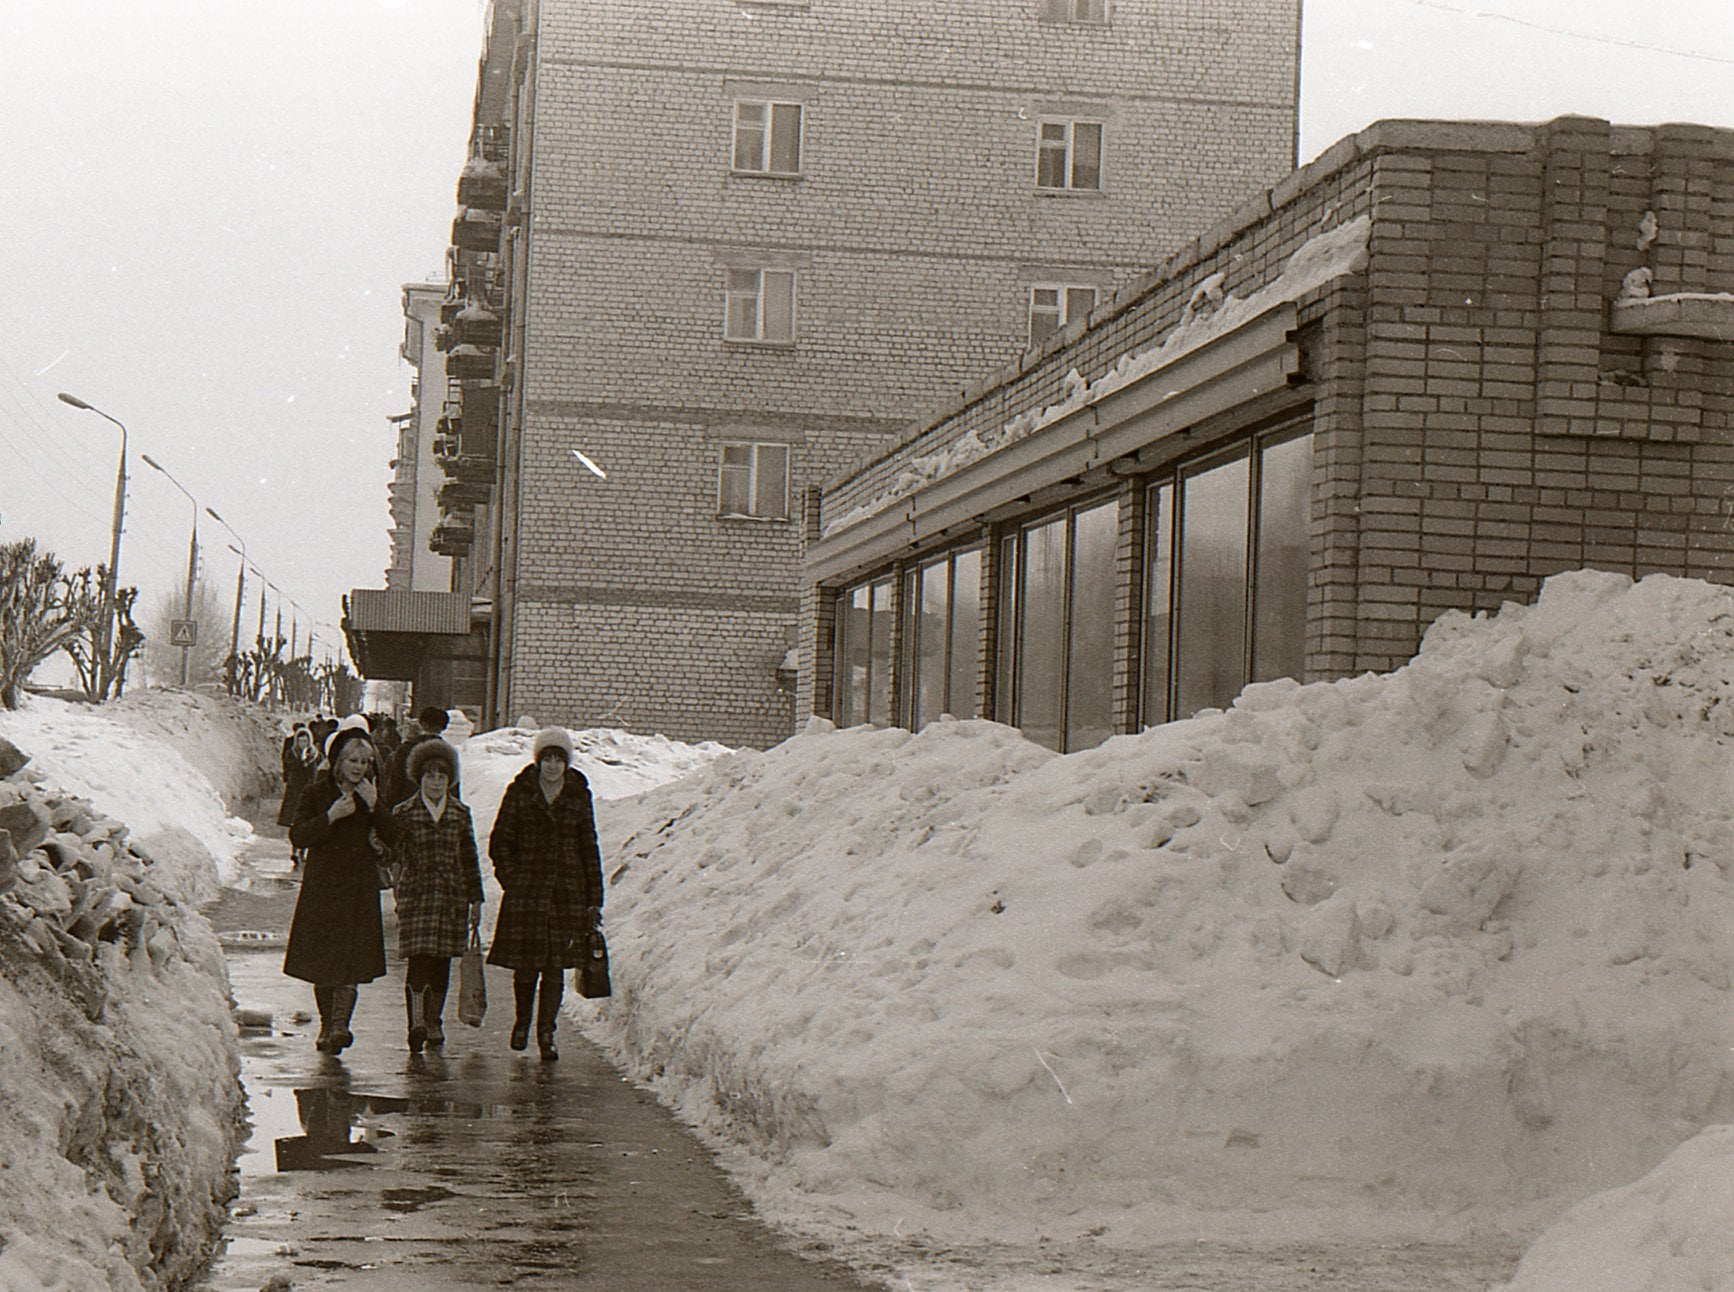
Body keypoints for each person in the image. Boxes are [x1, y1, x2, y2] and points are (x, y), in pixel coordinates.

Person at [487, 726, 603, 1061]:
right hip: (528, 894)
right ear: (538, 761)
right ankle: (522, 1021)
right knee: (527, 965)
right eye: (547, 758)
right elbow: (500, 842)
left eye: (558, 759)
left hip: (566, 892)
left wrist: (593, 897)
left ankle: (546, 1033)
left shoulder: (578, 794)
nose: (552, 766)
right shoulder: (520, 792)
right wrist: (514, 880)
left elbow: (588, 844)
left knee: (555, 967)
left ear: (566, 762)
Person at [284, 716, 393, 1054]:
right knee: (325, 962)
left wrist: (375, 807)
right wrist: (331, 816)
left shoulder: (370, 794)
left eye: (364, 762)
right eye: (352, 761)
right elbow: (298, 834)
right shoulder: (317, 792)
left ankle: (339, 1026)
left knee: (350, 964)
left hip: (359, 888)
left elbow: (395, 837)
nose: (358, 768)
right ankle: (327, 1024)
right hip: (323, 888)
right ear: (338, 762)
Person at [388, 738, 483, 1053]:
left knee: (442, 962)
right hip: (417, 897)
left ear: (449, 779)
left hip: (450, 899)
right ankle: (415, 1023)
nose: (435, 781)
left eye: (441, 775)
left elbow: (469, 858)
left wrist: (476, 899)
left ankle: (434, 1020)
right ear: (419, 777)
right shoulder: (404, 812)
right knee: (419, 961)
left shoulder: (459, 813)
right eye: (429, 775)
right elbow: (391, 851)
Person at [389, 705, 451, 808]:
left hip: (407, 809)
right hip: (438, 810)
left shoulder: (405, 749)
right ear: (443, 727)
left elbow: (395, 784)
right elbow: (453, 788)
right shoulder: (448, 752)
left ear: (422, 724)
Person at [277, 724, 320, 868]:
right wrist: (300, 760)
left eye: (305, 741)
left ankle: (303, 850)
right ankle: (295, 850)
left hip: (308, 792)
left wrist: (307, 761)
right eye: (301, 741)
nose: (303, 744)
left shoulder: (314, 754)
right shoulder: (292, 753)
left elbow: (314, 775)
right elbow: (290, 769)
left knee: (306, 821)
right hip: (295, 791)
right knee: (294, 821)